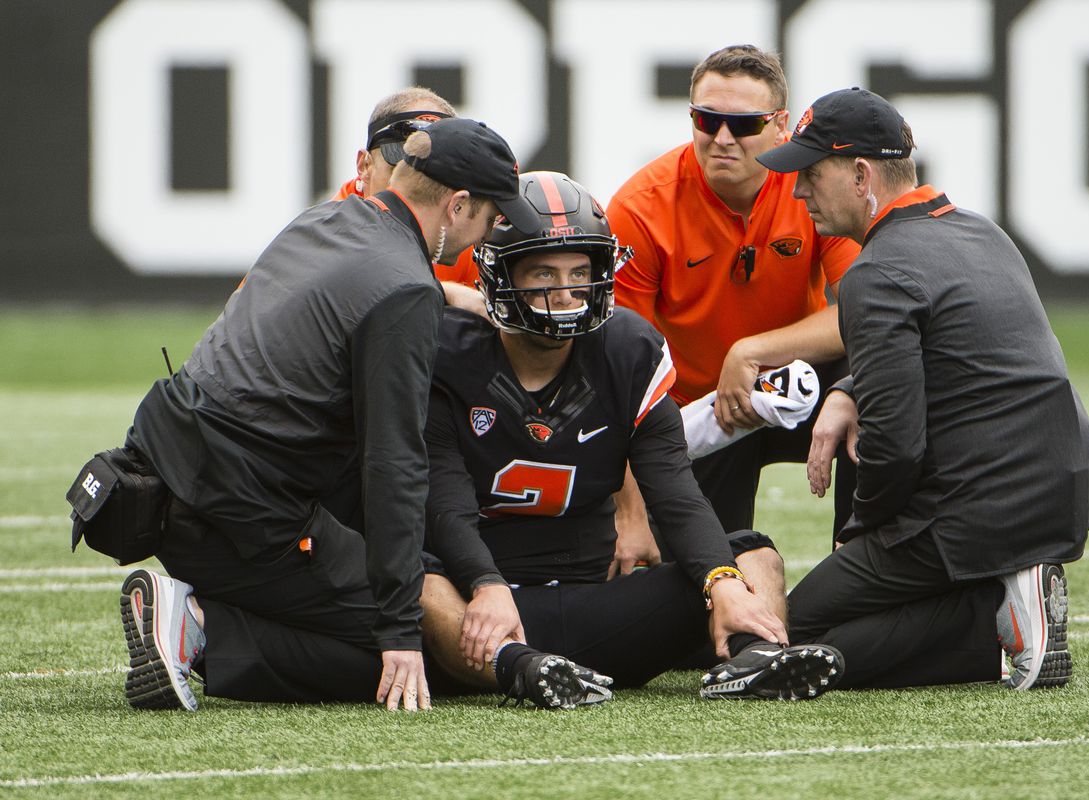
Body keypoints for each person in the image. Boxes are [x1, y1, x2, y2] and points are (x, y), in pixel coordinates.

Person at [116, 118, 540, 712]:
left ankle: (203, 604)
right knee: (421, 644)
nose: (489, 232)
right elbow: (393, 463)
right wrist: (396, 631)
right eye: (492, 216)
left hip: (158, 460)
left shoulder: (323, 219)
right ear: (457, 204)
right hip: (234, 505)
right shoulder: (407, 289)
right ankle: (196, 622)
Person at [419, 170, 844, 704]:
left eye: (580, 272)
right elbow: (446, 505)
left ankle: (753, 656)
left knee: (754, 557)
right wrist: (485, 584)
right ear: (500, 275)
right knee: (419, 581)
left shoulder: (626, 350)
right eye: (543, 275)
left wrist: (722, 581)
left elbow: (675, 488)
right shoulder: (449, 357)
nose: (567, 293)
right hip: (483, 603)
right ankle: (521, 670)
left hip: (593, 591)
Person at [757, 87, 1089, 690]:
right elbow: (960, 355)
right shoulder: (982, 231)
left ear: (861, 174)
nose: (798, 190)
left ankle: (990, 625)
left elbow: (895, 447)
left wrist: (861, 533)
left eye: (812, 173)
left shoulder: (877, 272)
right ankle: (1003, 596)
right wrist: (848, 392)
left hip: (981, 512)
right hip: (1068, 486)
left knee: (789, 635)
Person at [606, 45, 861, 555]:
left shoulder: (813, 186)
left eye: (743, 124)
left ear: (780, 125)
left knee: (880, 384)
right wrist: (629, 512)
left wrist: (749, 351)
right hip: (697, 410)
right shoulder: (640, 207)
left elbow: (867, 314)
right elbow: (618, 366)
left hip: (799, 380)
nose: (722, 138)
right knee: (700, 574)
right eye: (707, 120)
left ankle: (862, 564)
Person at [331, 87, 485, 315]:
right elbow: (358, 292)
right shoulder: (333, 226)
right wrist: (447, 293)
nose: (413, 191)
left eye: (432, 177)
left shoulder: (465, 232)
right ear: (364, 166)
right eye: (400, 170)